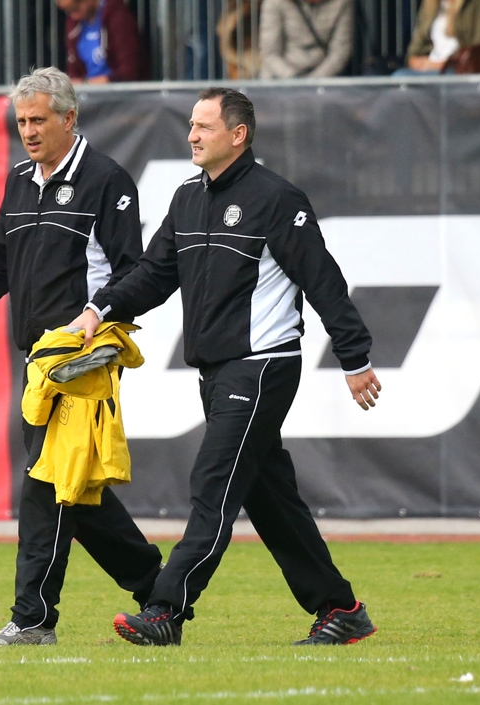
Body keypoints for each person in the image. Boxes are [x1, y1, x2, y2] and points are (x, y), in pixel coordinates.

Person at [67, 87, 382, 647]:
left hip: (262, 367)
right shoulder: (187, 198)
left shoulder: (277, 200)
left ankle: (165, 608)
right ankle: (341, 608)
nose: (191, 135)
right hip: (216, 374)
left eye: (204, 126)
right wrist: (100, 309)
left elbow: (323, 280)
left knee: (214, 481)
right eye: (191, 125)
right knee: (268, 496)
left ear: (238, 135)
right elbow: (153, 275)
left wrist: (353, 356)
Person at [0, 67, 162, 646]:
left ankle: (32, 620)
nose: (28, 131)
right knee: (76, 490)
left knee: (44, 486)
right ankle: (160, 589)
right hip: (38, 363)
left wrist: (96, 320)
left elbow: (133, 272)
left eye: (38, 120)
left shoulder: (107, 181)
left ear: (69, 119)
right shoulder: (20, 181)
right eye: (21, 121)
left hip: (81, 360)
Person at [55, 0, 146, 83]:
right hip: (89, 93)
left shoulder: (117, 16)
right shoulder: (74, 23)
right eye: (68, 11)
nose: (74, 16)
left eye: (76, 8)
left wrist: (91, 83)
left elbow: (129, 69)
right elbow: (73, 68)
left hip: (118, 91)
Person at [396, 0, 480, 75]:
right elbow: (414, 49)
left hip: (459, 70)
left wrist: (442, 65)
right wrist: (416, 62)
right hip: (428, 67)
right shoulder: (430, 3)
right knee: (399, 77)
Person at [259, 0, 354, 79]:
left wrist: (313, 81)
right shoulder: (275, 2)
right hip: (280, 78)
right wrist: (294, 77)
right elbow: (270, 53)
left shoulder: (342, 3)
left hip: (325, 77)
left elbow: (340, 51)